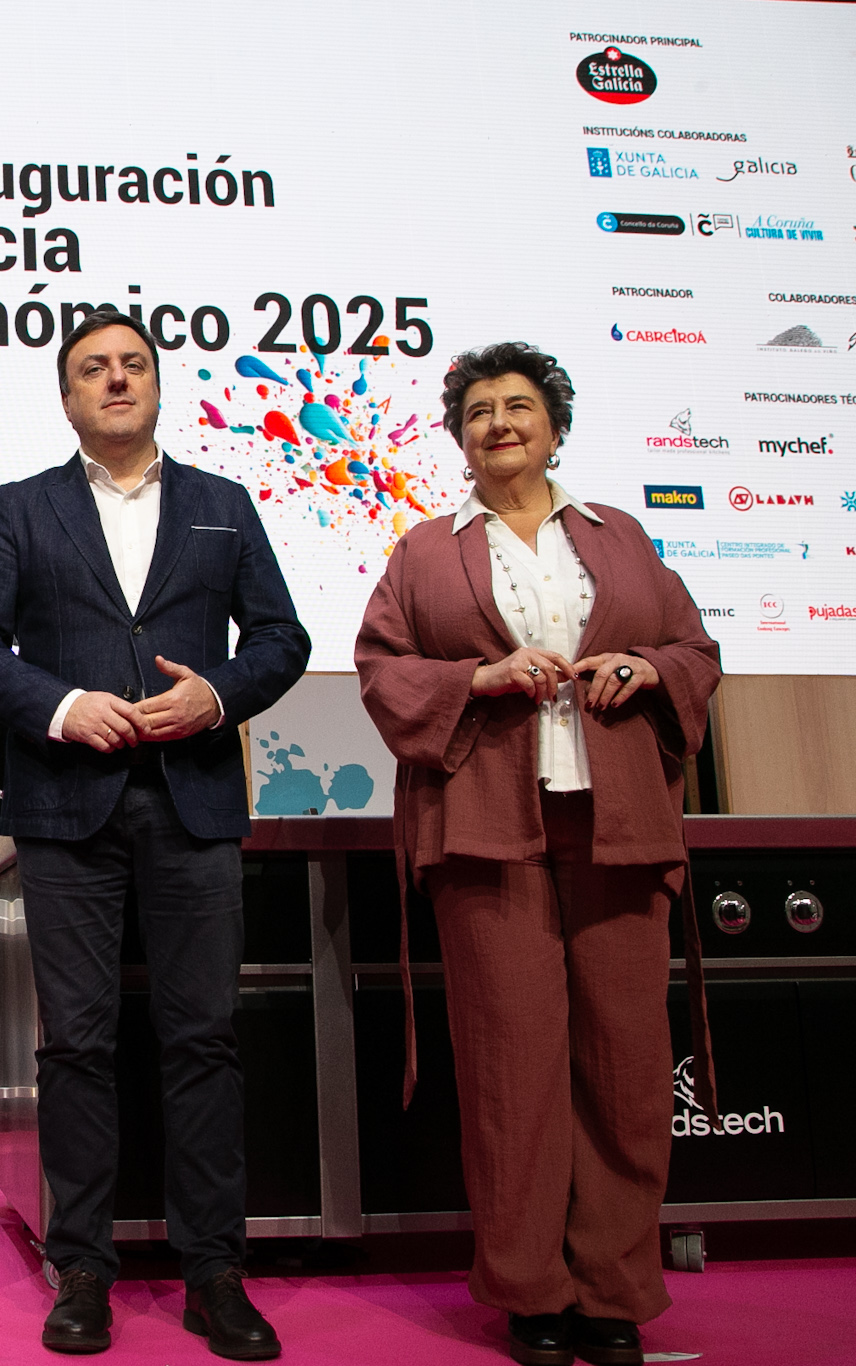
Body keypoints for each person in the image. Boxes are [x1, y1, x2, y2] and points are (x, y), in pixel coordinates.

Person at [0, 310, 307, 1360]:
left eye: (132, 365)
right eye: (92, 369)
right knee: (75, 1044)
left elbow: (280, 638)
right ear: (66, 398)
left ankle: (213, 1271)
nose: (114, 380)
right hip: (65, 805)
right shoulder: (22, 506)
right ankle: (83, 1267)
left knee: (204, 1039)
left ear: (156, 385)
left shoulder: (221, 505)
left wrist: (215, 696)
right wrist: (61, 706)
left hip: (193, 800)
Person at [354, 342, 720, 1366]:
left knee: (626, 1068)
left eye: (518, 406)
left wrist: (641, 666)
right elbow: (381, 668)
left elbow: (694, 650)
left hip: (619, 827)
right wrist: (477, 678)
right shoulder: (424, 553)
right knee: (509, 1072)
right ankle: (531, 1292)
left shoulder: (619, 536)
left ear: (554, 427)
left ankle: (612, 1292)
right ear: (458, 438)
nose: (498, 423)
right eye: (477, 411)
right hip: (486, 830)